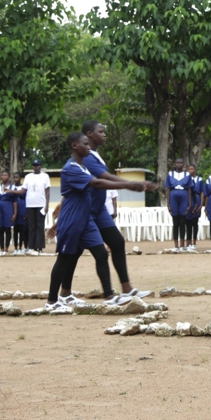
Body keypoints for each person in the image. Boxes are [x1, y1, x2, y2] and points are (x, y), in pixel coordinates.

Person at [44, 132, 156, 312]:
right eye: (85, 144)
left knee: (102, 254)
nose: (89, 147)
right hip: (72, 219)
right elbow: (97, 184)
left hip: (86, 219)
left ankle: (110, 297)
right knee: (64, 259)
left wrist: (129, 184)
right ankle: (52, 301)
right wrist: (128, 184)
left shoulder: (83, 168)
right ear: (74, 146)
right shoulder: (70, 168)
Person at [79, 121, 154, 300]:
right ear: (89, 134)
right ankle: (64, 294)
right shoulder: (88, 156)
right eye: (101, 131)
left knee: (117, 242)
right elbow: (103, 177)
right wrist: (131, 185)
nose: (104, 134)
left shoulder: (96, 155)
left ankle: (127, 288)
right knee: (75, 254)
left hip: (100, 210)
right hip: (87, 210)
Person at [165, 158, 194, 253]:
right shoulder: (170, 174)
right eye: (177, 163)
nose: (179, 164)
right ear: (175, 164)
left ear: (183, 164)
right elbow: (168, 190)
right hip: (173, 195)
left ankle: (182, 245)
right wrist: (168, 204)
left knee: (182, 222)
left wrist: (190, 204)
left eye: (181, 163)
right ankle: (176, 245)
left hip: (184, 195)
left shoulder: (187, 175)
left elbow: (190, 190)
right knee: (175, 222)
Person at [23, 159, 50, 255]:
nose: (36, 167)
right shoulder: (28, 177)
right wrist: (11, 191)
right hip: (30, 204)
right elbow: (23, 190)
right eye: (34, 165)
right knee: (31, 226)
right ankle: (32, 246)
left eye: (37, 165)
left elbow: (47, 192)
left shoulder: (45, 176)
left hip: (41, 204)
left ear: (40, 166)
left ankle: (39, 247)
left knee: (40, 226)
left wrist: (47, 205)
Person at [184, 164, 203, 252]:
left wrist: (201, 205)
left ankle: (194, 243)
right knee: (188, 223)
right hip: (188, 199)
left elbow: (202, 192)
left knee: (195, 223)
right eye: (189, 169)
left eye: (192, 169)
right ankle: (188, 242)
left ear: (195, 169)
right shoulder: (186, 179)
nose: (190, 170)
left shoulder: (200, 179)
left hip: (197, 199)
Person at [12, 173, 28, 254]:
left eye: (17, 177)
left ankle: (22, 247)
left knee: (23, 229)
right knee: (15, 229)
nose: (15, 179)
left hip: (22, 207)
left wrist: (27, 212)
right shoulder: (12, 187)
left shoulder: (24, 187)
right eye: (14, 177)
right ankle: (15, 247)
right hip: (13, 207)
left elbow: (27, 198)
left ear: (20, 178)